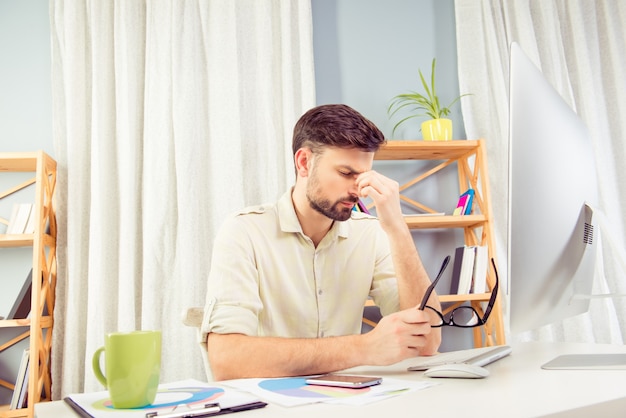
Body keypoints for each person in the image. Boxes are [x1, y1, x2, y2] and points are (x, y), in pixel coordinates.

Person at [201, 104, 441, 380]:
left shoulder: (372, 235)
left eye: (363, 176)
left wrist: (397, 228)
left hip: (350, 402)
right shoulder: (244, 232)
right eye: (345, 173)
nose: (358, 190)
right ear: (304, 162)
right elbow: (226, 360)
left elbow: (427, 343)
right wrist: (363, 348)